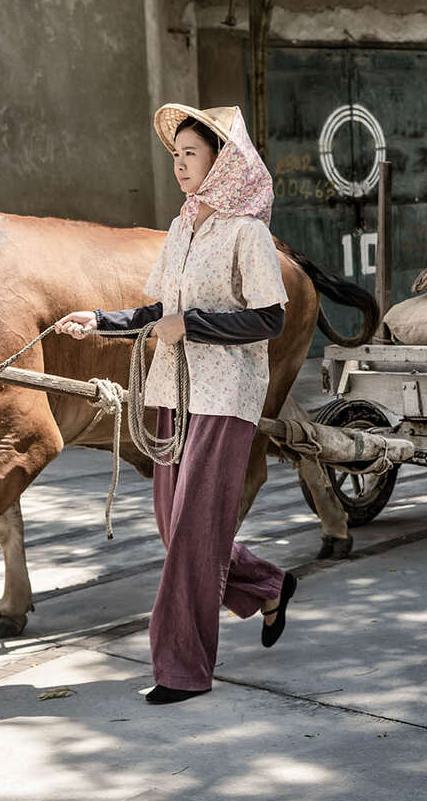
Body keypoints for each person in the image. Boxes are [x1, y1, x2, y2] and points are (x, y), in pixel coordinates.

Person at [58, 104, 299, 705]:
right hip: (171, 389)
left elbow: (269, 317)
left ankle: (181, 668)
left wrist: (190, 326)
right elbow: (157, 313)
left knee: (193, 532)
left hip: (225, 397)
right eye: (176, 156)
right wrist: (100, 322)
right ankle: (268, 585)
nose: (180, 165)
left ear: (223, 161)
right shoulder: (183, 226)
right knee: (176, 529)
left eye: (191, 154)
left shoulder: (248, 232)